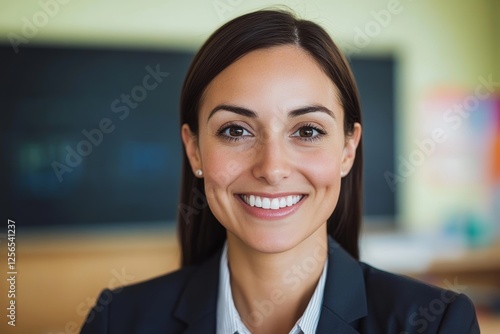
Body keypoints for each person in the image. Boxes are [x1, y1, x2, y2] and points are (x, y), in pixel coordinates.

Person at [81, 9, 479, 334]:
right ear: (194, 150)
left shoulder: (435, 324)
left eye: (307, 131)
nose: (272, 168)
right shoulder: (118, 322)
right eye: (235, 131)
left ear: (347, 149)